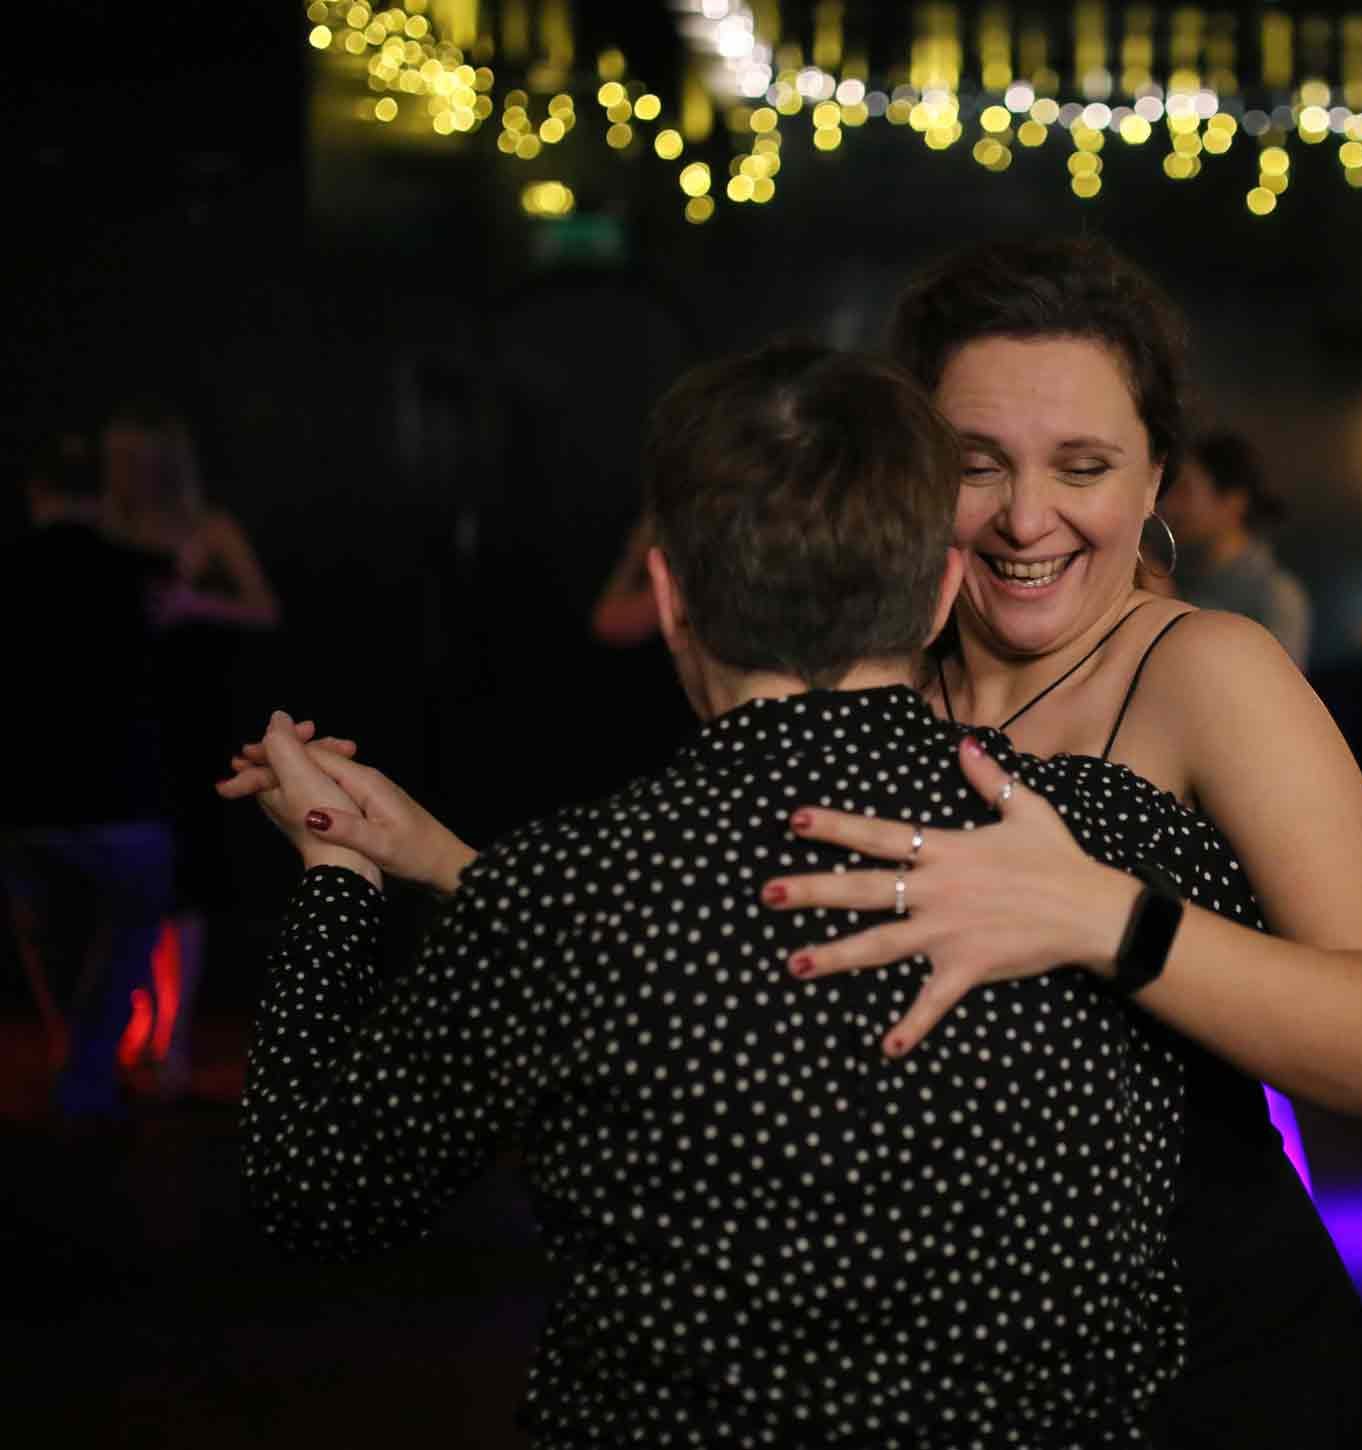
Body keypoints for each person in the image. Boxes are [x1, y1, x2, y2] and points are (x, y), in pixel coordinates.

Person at [221, 343, 1276, 1448]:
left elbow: (312, 1190)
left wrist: (337, 877)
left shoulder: (571, 894)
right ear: (939, 590)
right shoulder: (1107, 833)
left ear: (671, 596)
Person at [759, 238, 1362, 1448]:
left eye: (1083, 466)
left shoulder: (1208, 672)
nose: (1029, 517)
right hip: (938, 1382)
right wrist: (466, 878)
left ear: (1154, 483)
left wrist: (1103, 917)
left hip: (1203, 1376)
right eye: (979, 465)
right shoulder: (865, 671)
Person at [100, 401, 281, 1097]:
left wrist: (195, 604)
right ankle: (134, 1026)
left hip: (193, 715)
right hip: (121, 720)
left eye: (144, 461)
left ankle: (172, 1039)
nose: (135, 475)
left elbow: (264, 609)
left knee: (190, 879)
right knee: (130, 878)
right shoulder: (107, 531)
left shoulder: (209, 527)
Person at [1, 433, 174, 1118]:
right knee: (132, 921)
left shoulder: (8, 570)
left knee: (43, 934)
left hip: (21, 803)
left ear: (35, 494)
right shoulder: (144, 572)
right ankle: (86, 1072)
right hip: (124, 799)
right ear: (102, 497)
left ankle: (72, 1055)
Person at [1158, 429, 1313, 667]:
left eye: (1184, 492)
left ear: (1232, 502)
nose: (1168, 506)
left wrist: (1172, 613)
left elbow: (1269, 695)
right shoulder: (1182, 578)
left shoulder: (1276, 596)